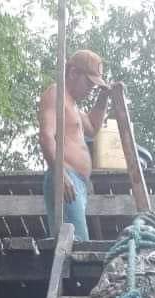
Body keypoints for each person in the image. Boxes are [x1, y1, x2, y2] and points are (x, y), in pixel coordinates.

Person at [38, 49, 112, 241]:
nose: (91, 89)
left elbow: (92, 127)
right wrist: (60, 174)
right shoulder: (56, 94)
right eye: (89, 83)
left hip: (76, 183)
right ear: (73, 73)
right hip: (65, 177)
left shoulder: (73, 105)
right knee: (76, 248)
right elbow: (46, 136)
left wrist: (104, 97)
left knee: (76, 245)